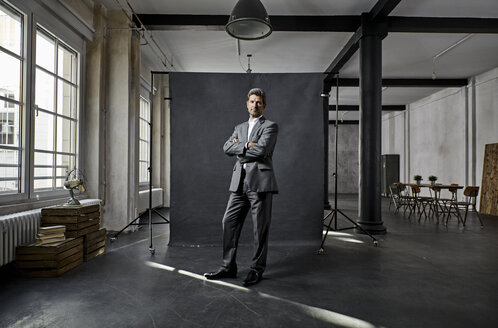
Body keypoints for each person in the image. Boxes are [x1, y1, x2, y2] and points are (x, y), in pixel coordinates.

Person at [204, 88, 278, 287]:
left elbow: (263, 150)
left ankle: (256, 269)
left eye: (259, 102)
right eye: (252, 101)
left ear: (264, 105)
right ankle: (228, 267)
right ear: (247, 104)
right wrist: (246, 146)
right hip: (239, 182)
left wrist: (239, 149)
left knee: (259, 229)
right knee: (229, 221)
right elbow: (227, 147)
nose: (255, 105)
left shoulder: (270, 126)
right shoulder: (239, 127)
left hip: (260, 183)